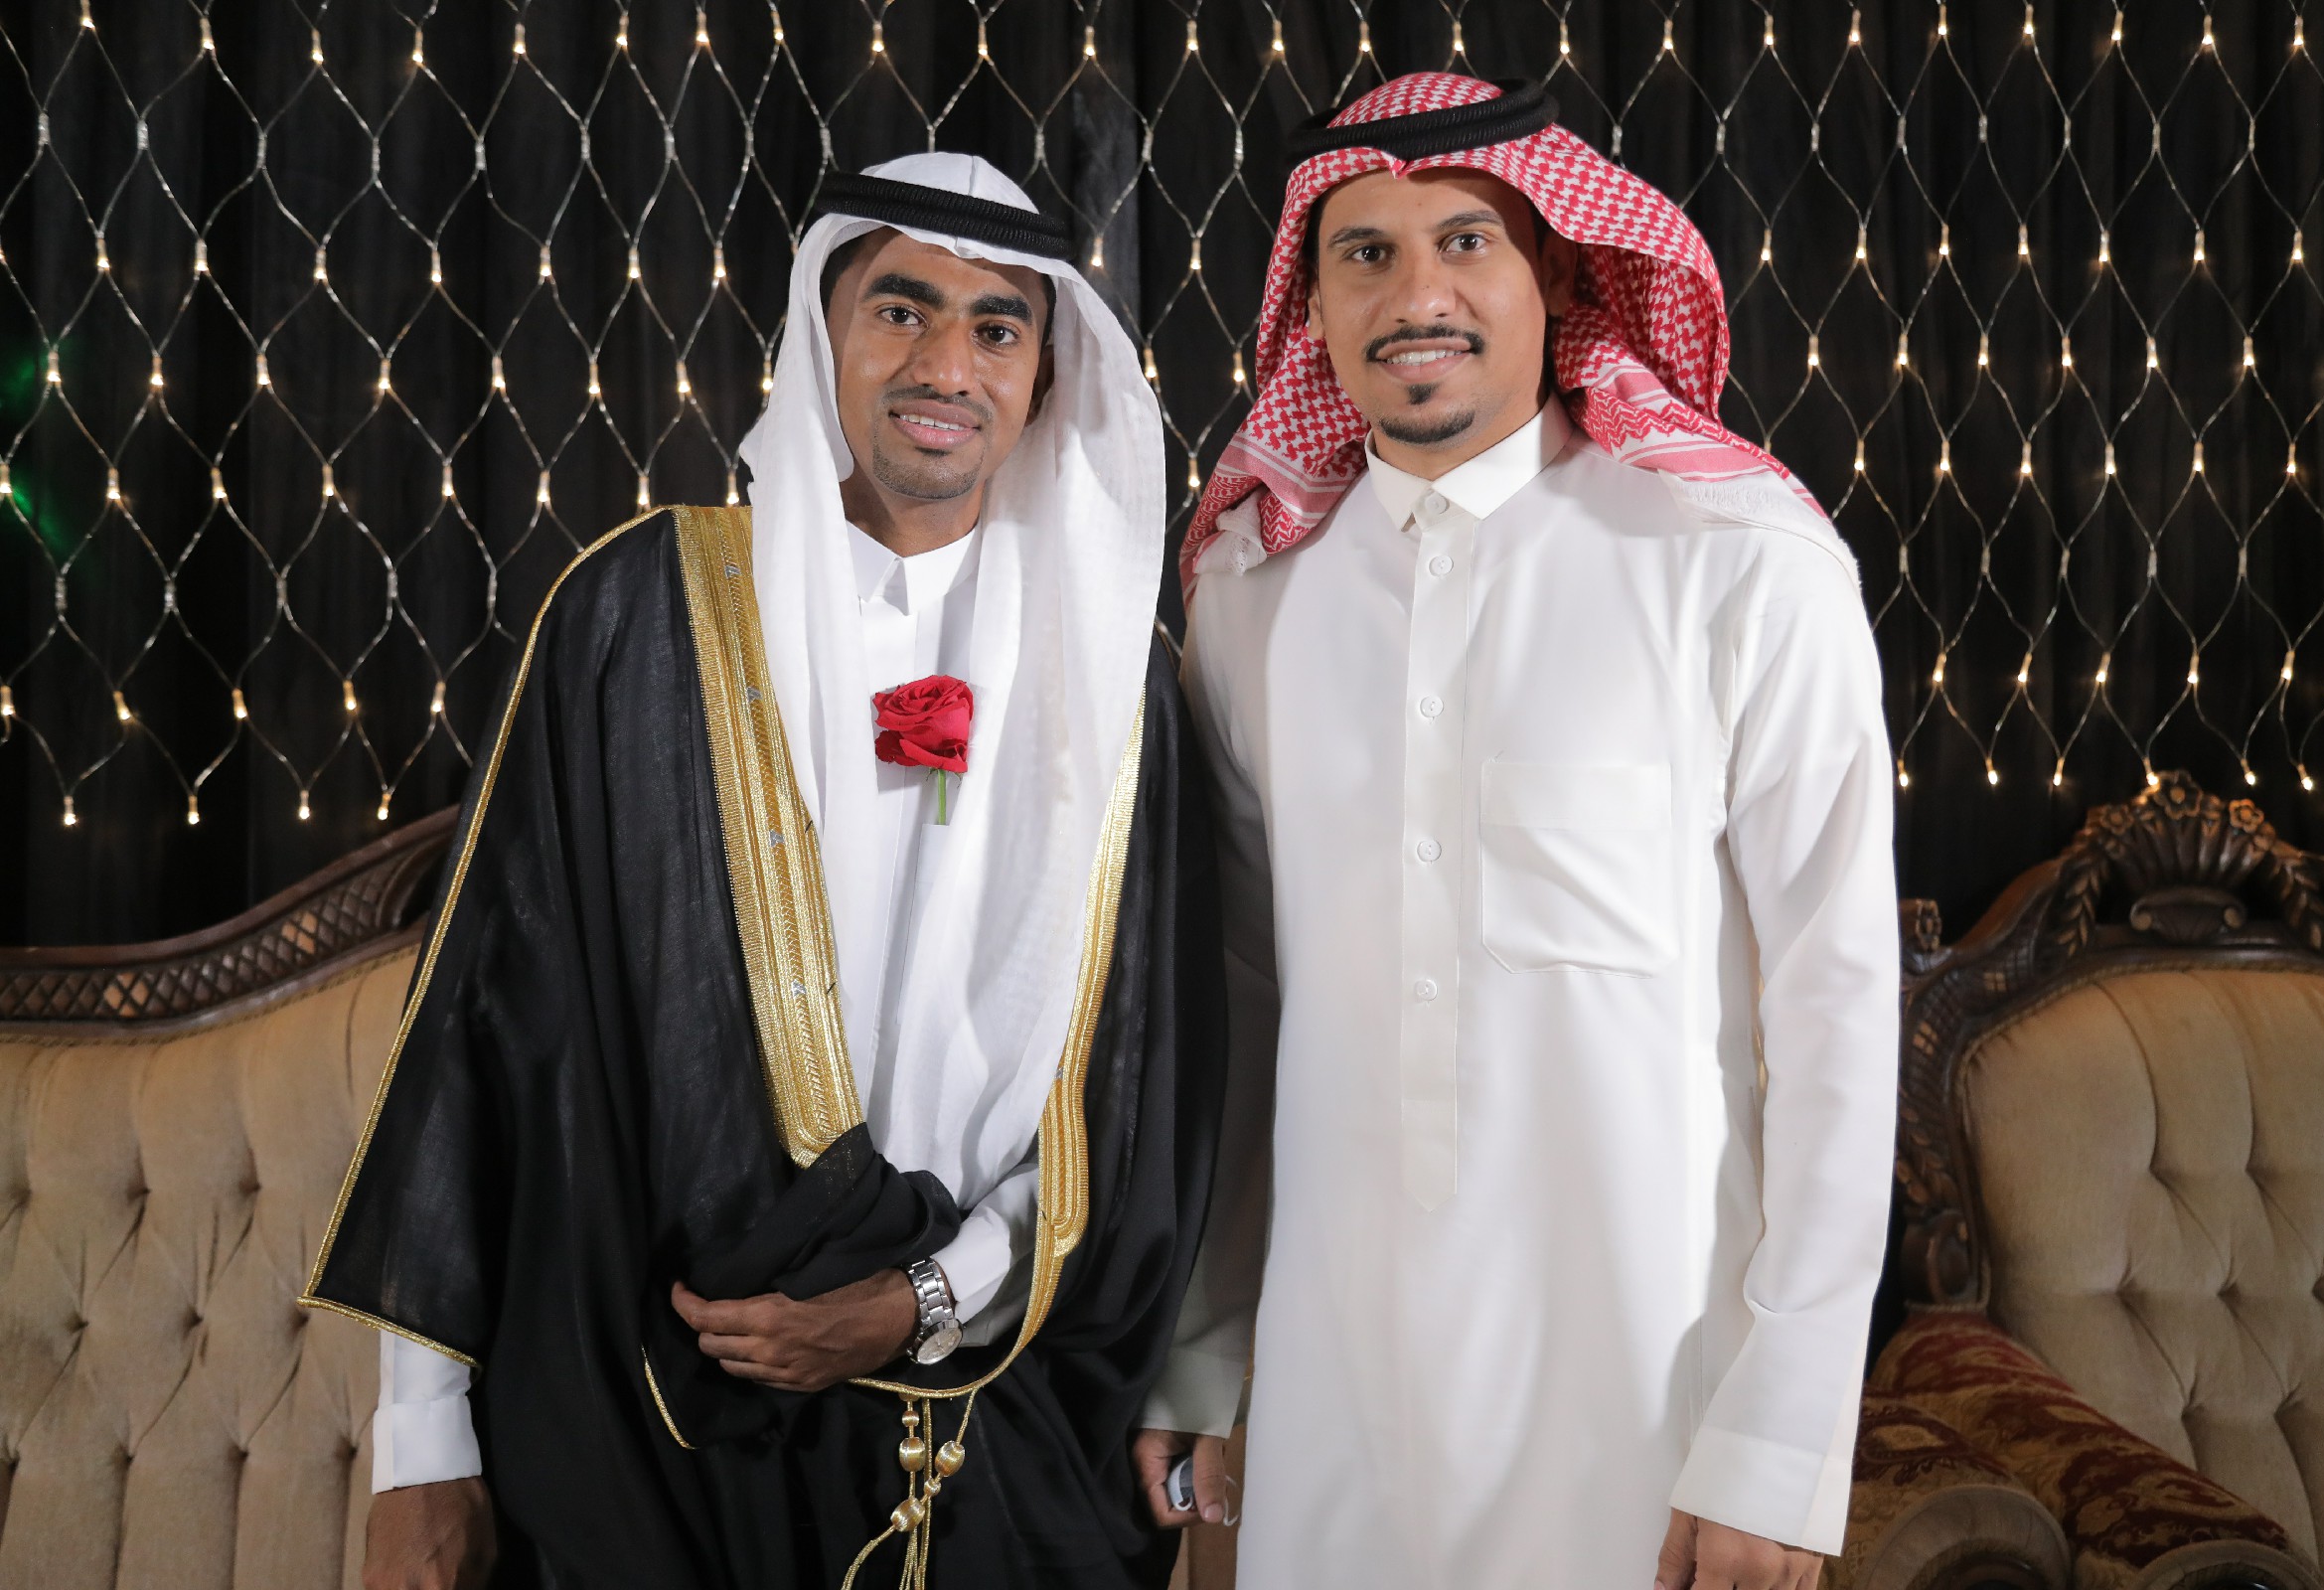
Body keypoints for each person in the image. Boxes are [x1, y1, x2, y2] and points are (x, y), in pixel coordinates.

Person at [303, 152, 1224, 1590]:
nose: (946, 365)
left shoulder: (1115, 685)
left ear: (1045, 375)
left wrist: (923, 1296)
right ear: (822, 335)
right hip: (656, 1413)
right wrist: (422, 1447)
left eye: (997, 327)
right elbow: (490, 1028)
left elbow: (1144, 1091)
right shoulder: (638, 614)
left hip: (994, 1418)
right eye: (900, 310)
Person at [1134, 75, 1899, 1590]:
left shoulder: (1741, 562)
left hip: (1649, 1409)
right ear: (1312, 303)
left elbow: (1839, 1009)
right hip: (1336, 1403)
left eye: (1466, 241)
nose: (1417, 295)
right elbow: (1241, 1000)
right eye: (1365, 253)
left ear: (1557, 271)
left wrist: (1781, 1439)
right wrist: (1208, 1349)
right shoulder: (1249, 593)